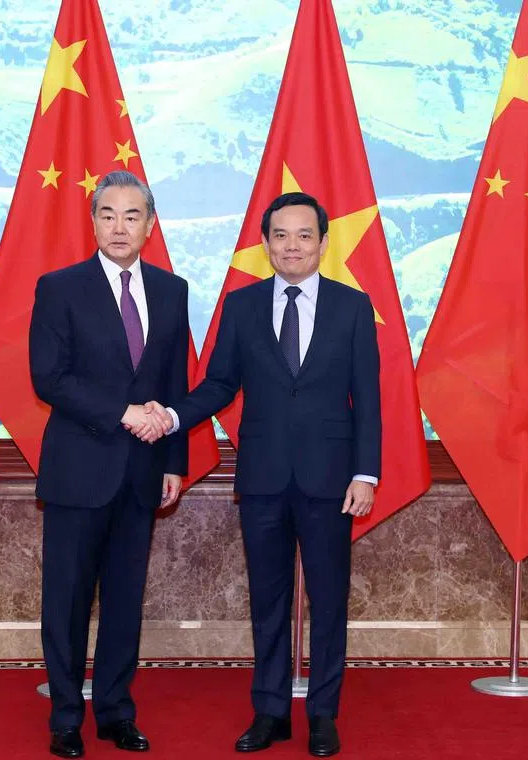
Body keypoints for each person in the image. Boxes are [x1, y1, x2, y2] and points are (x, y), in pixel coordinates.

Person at [149, 192, 379, 758]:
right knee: (268, 599)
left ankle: (323, 715)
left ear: (323, 243)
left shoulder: (353, 307)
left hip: (331, 480)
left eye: (304, 235)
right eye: (281, 235)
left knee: (329, 602)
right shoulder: (243, 305)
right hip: (263, 479)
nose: (292, 245)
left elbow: (368, 399)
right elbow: (220, 384)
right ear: (266, 242)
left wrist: (366, 473)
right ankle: (271, 711)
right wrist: (174, 415)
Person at [29, 170, 188, 758]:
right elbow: (50, 377)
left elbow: (175, 382)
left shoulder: (173, 291)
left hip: (144, 472)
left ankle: (117, 712)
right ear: (92, 220)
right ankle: (66, 716)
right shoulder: (59, 287)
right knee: (67, 600)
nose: (119, 227)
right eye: (107, 215)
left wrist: (174, 459)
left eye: (131, 216)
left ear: (150, 225)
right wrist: (123, 412)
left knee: (125, 601)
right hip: (78, 469)